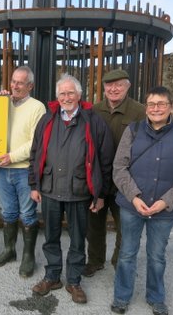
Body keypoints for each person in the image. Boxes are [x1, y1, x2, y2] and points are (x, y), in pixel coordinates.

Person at [110, 86, 173, 315]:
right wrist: (134, 196)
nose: (156, 108)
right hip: (132, 206)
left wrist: (165, 201)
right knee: (127, 253)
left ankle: (156, 297)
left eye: (161, 104)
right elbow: (119, 168)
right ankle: (121, 296)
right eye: (151, 104)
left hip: (164, 211)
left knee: (157, 256)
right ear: (146, 107)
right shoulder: (133, 130)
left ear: (171, 107)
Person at [29, 74, 114, 304]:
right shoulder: (47, 120)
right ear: (57, 96)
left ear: (79, 95)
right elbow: (35, 153)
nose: (66, 97)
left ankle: (74, 281)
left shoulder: (93, 122)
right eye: (62, 93)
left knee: (78, 239)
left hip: (79, 192)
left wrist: (101, 193)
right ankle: (52, 276)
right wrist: (34, 185)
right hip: (49, 189)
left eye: (70, 93)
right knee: (51, 238)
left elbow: (105, 161)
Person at [84, 69, 145, 276]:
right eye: (109, 85)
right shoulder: (94, 110)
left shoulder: (139, 112)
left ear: (128, 87)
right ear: (103, 88)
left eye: (119, 84)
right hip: (99, 179)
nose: (113, 89)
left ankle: (120, 262)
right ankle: (95, 260)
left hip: (125, 181)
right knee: (94, 224)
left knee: (125, 227)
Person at [0, 66, 46, 278]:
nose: (15, 86)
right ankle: (9, 250)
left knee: (28, 214)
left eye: (20, 83)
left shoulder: (37, 108)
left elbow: (36, 142)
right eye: (13, 81)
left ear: (30, 85)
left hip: (23, 170)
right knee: (9, 213)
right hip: (3, 171)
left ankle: (28, 257)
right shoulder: (3, 104)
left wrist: (12, 156)